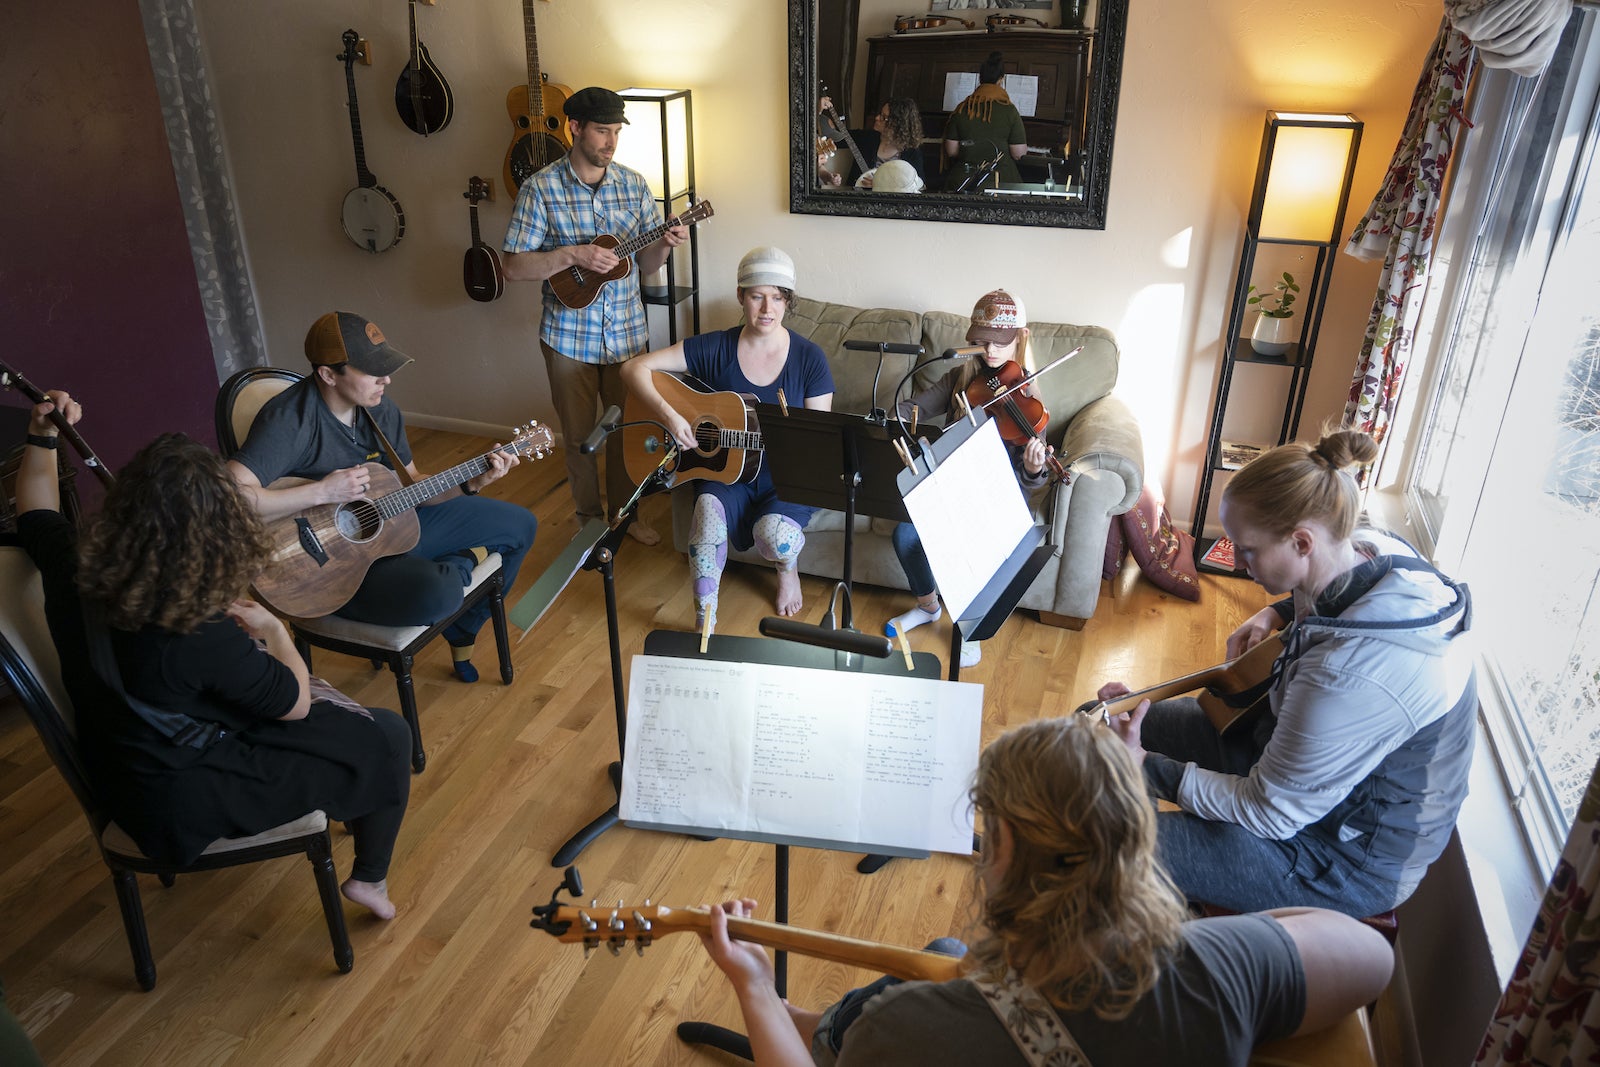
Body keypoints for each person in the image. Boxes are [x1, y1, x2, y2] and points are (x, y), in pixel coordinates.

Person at [696, 715, 1395, 1066]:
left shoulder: (904, 1033)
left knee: (895, 991)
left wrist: (752, 986)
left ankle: (799, 1020)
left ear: (1000, 850)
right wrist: (1245, 941)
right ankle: (806, 1018)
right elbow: (1372, 955)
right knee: (940, 955)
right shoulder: (1213, 971)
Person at [15, 391, 412, 918]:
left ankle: (357, 825)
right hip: (179, 797)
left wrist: (41, 432)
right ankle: (370, 880)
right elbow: (291, 703)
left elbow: (36, 504)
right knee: (384, 735)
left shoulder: (77, 565)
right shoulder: (195, 630)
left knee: (338, 728)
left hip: (119, 762)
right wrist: (276, 631)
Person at [1099, 429, 1477, 917]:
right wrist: (1276, 613)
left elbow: (1268, 811)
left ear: (1302, 541)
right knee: (1116, 729)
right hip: (1292, 770)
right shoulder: (1367, 547)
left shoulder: (1349, 676)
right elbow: (1335, 606)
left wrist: (1145, 767)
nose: (1233, 560)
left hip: (1340, 859)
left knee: (1111, 849)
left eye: (1247, 549)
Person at [227, 311, 536, 684]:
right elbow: (232, 496)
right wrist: (324, 490)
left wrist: (474, 482)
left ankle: (462, 627)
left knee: (521, 525)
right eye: (373, 371)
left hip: (388, 527)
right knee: (441, 590)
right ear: (328, 374)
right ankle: (456, 569)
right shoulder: (290, 420)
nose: (386, 379)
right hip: (327, 568)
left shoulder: (380, 409)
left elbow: (413, 485)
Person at [501, 86, 690, 546]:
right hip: (568, 337)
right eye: (602, 131)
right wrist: (571, 255)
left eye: (616, 132)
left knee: (630, 433)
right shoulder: (539, 188)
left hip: (627, 337)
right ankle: (589, 523)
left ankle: (628, 517)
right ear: (575, 128)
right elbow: (512, 266)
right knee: (581, 438)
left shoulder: (635, 185)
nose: (610, 142)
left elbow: (645, 266)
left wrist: (663, 244)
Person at [621, 246, 834, 629]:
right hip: (724, 475)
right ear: (740, 296)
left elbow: (819, 441)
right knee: (705, 517)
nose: (767, 308)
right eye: (756, 296)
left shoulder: (810, 358)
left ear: (788, 301)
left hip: (783, 481)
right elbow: (634, 369)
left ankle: (787, 570)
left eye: (777, 297)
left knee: (775, 537)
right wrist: (669, 416)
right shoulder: (715, 346)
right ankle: (705, 620)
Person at [884, 289, 1052, 668]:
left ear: (1020, 339)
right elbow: (915, 407)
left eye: (999, 343)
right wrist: (894, 415)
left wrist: (1033, 467)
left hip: (994, 500)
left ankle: (971, 626)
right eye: (980, 343)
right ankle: (928, 607)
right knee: (905, 534)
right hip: (950, 490)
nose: (990, 352)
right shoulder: (961, 377)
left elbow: (1030, 486)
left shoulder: (1029, 397)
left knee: (974, 547)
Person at [943, 52, 1029, 190]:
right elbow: (1019, 154)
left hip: (965, 180)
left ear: (980, 78)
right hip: (1001, 181)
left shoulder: (962, 108)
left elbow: (951, 151)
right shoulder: (1009, 109)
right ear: (1001, 80)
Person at [819, 96, 925, 189]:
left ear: (897, 124)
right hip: (856, 200)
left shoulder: (911, 152)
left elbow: (920, 186)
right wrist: (818, 111)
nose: (877, 118)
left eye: (884, 117)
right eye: (880, 114)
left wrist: (881, 184)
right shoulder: (867, 138)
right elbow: (830, 139)